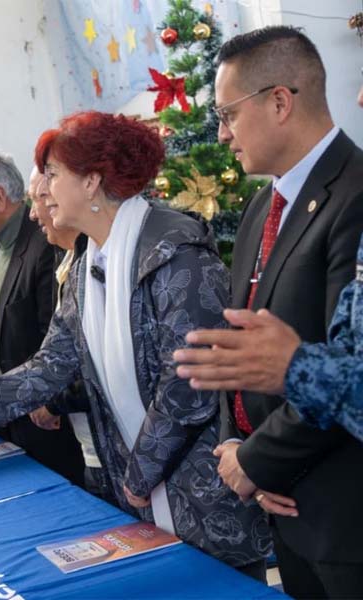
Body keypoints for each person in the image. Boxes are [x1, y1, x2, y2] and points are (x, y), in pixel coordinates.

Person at [0, 111, 271, 574]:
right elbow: (47, 367)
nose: (42, 189)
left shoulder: (176, 254)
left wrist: (140, 474)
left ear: (91, 182)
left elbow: (189, 386)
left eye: (54, 174)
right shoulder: (87, 268)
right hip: (140, 495)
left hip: (201, 498)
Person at [175, 26, 363, 598]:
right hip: (281, 504)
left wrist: (259, 460)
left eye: (228, 114)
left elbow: (341, 364)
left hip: (343, 510)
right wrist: (240, 453)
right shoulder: (264, 204)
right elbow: (245, 349)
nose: (223, 133)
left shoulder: (355, 193)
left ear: (279, 101)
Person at [0, 150, 88, 487]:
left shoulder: (44, 245)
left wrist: (50, 401)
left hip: (50, 420)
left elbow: (55, 339)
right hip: (13, 419)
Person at [25, 167, 109, 499]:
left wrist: (53, 400)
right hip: (89, 443)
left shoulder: (97, 263)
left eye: (41, 198)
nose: (34, 213)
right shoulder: (68, 263)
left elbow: (99, 363)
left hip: (114, 444)